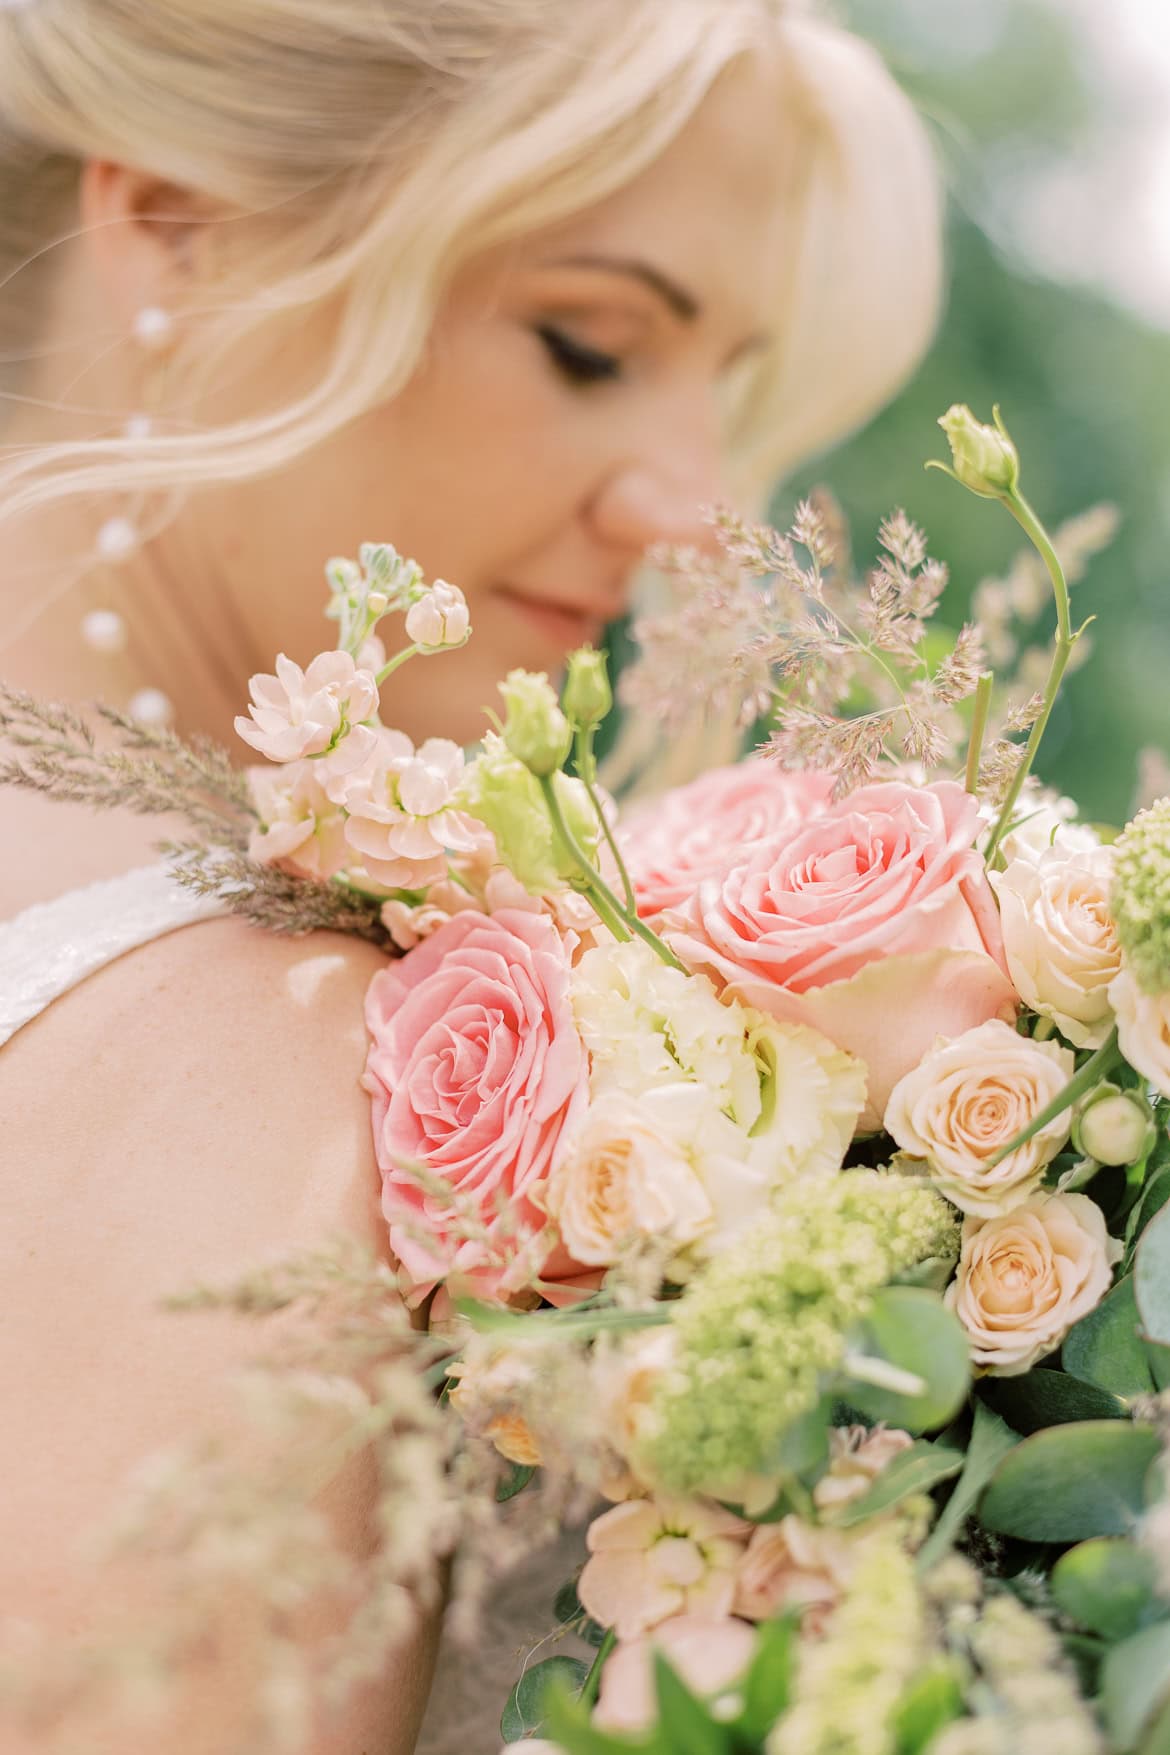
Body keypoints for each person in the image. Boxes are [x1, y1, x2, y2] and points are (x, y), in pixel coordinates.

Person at [0, 2, 941, 1750]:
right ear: (180, 232)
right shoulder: (275, 1071)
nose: (688, 503)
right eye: (591, 343)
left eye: (720, 385)